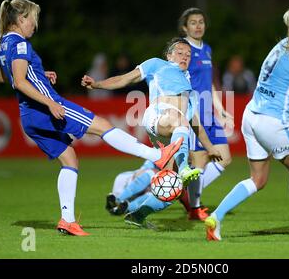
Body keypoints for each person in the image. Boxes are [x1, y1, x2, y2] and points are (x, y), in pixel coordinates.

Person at [0, 0, 183, 237]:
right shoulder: (20, 44)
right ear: (21, 19)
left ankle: (68, 220)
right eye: (34, 19)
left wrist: (40, 75)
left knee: (70, 159)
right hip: (46, 108)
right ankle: (158, 155)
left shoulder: (3, 43)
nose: (35, 25)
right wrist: (50, 102)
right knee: (102, 126)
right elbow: (20, 81)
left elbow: (5, 78)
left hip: (29, 114)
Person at [205, 9, 289, 241]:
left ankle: (216, 217)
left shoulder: (281, 45)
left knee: (258, 180)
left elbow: (275, 82)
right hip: (273, 122)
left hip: (251, 116)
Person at [82, 37, 223, 227]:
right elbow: (125, 78)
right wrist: (97, 84)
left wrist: (210, 147)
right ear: (169, 55)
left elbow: (194, 121)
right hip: (158, 116)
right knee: (178, 119)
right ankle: (184, 169)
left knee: (172, 189)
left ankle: (137, 214)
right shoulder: (157, 65)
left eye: (188, 55)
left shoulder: (188, 83)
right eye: (180, 52)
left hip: (174, 132)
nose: (185, 57)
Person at [177, 8, 233, 221]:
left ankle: (188, 196)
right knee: (199, 162)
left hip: (209, 113)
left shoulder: (207, 49)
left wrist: (220, 109)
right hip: (194, 114)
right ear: (185, 27)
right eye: (193, 22)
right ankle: (194, 207)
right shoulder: (183, 50)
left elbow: (209, 83)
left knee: (225, 159)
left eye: (201, 22)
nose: (198, 26)